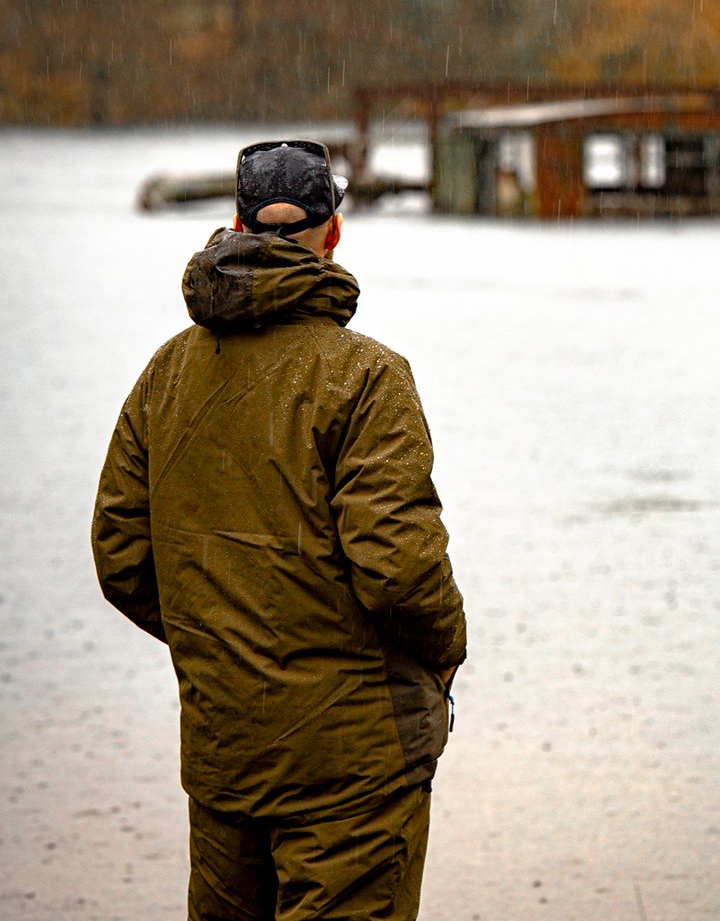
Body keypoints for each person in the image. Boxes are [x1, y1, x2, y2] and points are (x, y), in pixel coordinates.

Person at [92, 139, 467, 921]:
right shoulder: (367, 376)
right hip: (355, 767)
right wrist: (445, 654)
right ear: (332, 235)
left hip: (227, 752)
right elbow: (399, 571)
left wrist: (230, 645)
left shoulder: (165, 374)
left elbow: (122, 559)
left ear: (235, 223)